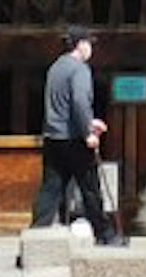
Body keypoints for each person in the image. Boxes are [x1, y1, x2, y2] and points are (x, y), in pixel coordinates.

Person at [36, 30, 121, 245]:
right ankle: (105, 234)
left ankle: (35, 237)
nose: (91, 49)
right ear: (80, 45)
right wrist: (88, 132)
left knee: (50, 190)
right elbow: (79, 102)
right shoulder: (79, 70)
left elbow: (62, 104)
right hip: (75, 139)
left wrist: (90, 122)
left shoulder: (55, 68)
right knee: (90, 188)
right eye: (89, 44)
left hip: (54, 136)